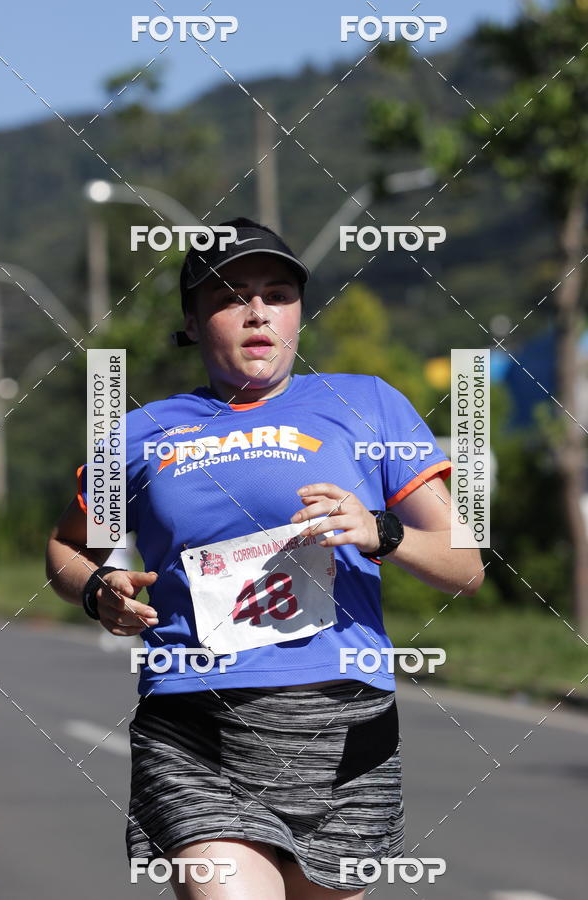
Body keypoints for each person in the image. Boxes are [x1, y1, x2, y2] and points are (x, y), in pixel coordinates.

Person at [46, 216, 484, 899]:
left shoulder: (366, 405)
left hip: (342, 727)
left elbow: (466, 566)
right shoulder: (137, 433)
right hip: (194, 725)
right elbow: (68, 547)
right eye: (228, 296)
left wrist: (381, 532)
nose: (257, 311)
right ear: (192, 322)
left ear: (299, 314)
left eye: (276, 293)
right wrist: (96, 586)